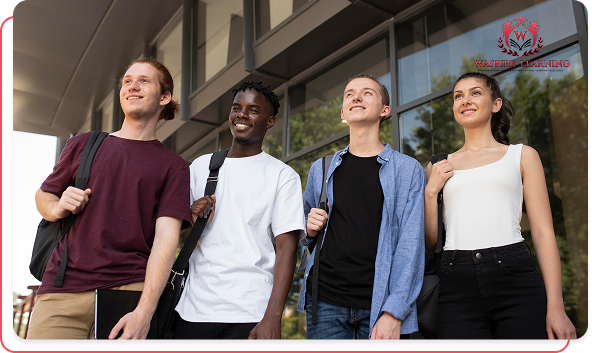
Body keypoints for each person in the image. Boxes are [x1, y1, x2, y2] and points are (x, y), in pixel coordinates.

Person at [27, 58, 192, 340]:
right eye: (127, 81)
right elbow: (44, 195)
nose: (132, 86)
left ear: (164, 97)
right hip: (62, 289)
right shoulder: (84, 143)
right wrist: (57, 207)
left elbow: (167, 239)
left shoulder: (174, 166)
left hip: (128, 292)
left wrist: (145, 311)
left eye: (143, 80)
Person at [425, 72, 577, 340]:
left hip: (515, 274)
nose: (465, 100)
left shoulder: (523, 155)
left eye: (475, 92)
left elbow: (543, 234)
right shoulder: (437, 166)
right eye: (458, 96)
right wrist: (430, 192)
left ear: (496, 104)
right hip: (455, 281)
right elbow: (429, 241)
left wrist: (556, 306)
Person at [297, 74, 426, 340]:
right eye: (349, 93)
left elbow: (411, 245)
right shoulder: (321, 168)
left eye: (367, 93)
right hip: (325, 302)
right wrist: (309, 231)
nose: (356, 96)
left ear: (385, 110)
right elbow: (303, 234)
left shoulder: (407, 170)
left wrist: (394, 311)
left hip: (380, 305)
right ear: (344, 112)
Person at [173, 81, 305, 340]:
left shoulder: (282, 176)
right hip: (192, 312)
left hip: (251, 313)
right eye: (237, 108)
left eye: (254, 110)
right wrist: (188, 217)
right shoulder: (202, 167)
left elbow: (287, 249)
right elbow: (172, 235)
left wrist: (272, 317)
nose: (242, 115)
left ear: (269, 121)